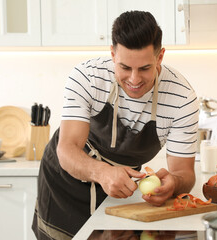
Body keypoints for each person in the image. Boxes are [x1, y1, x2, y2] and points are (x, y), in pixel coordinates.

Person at [32, 10, 199, 240]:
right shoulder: (86, 77)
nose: (134, 79)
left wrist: (174, 184)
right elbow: (67, 149)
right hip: (64, 185)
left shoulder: (182, 98)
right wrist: (102, 173)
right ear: (112, 54)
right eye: (125, 67)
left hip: (120, 192)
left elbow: (184, 173)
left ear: (160, 57)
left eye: (144, 68)